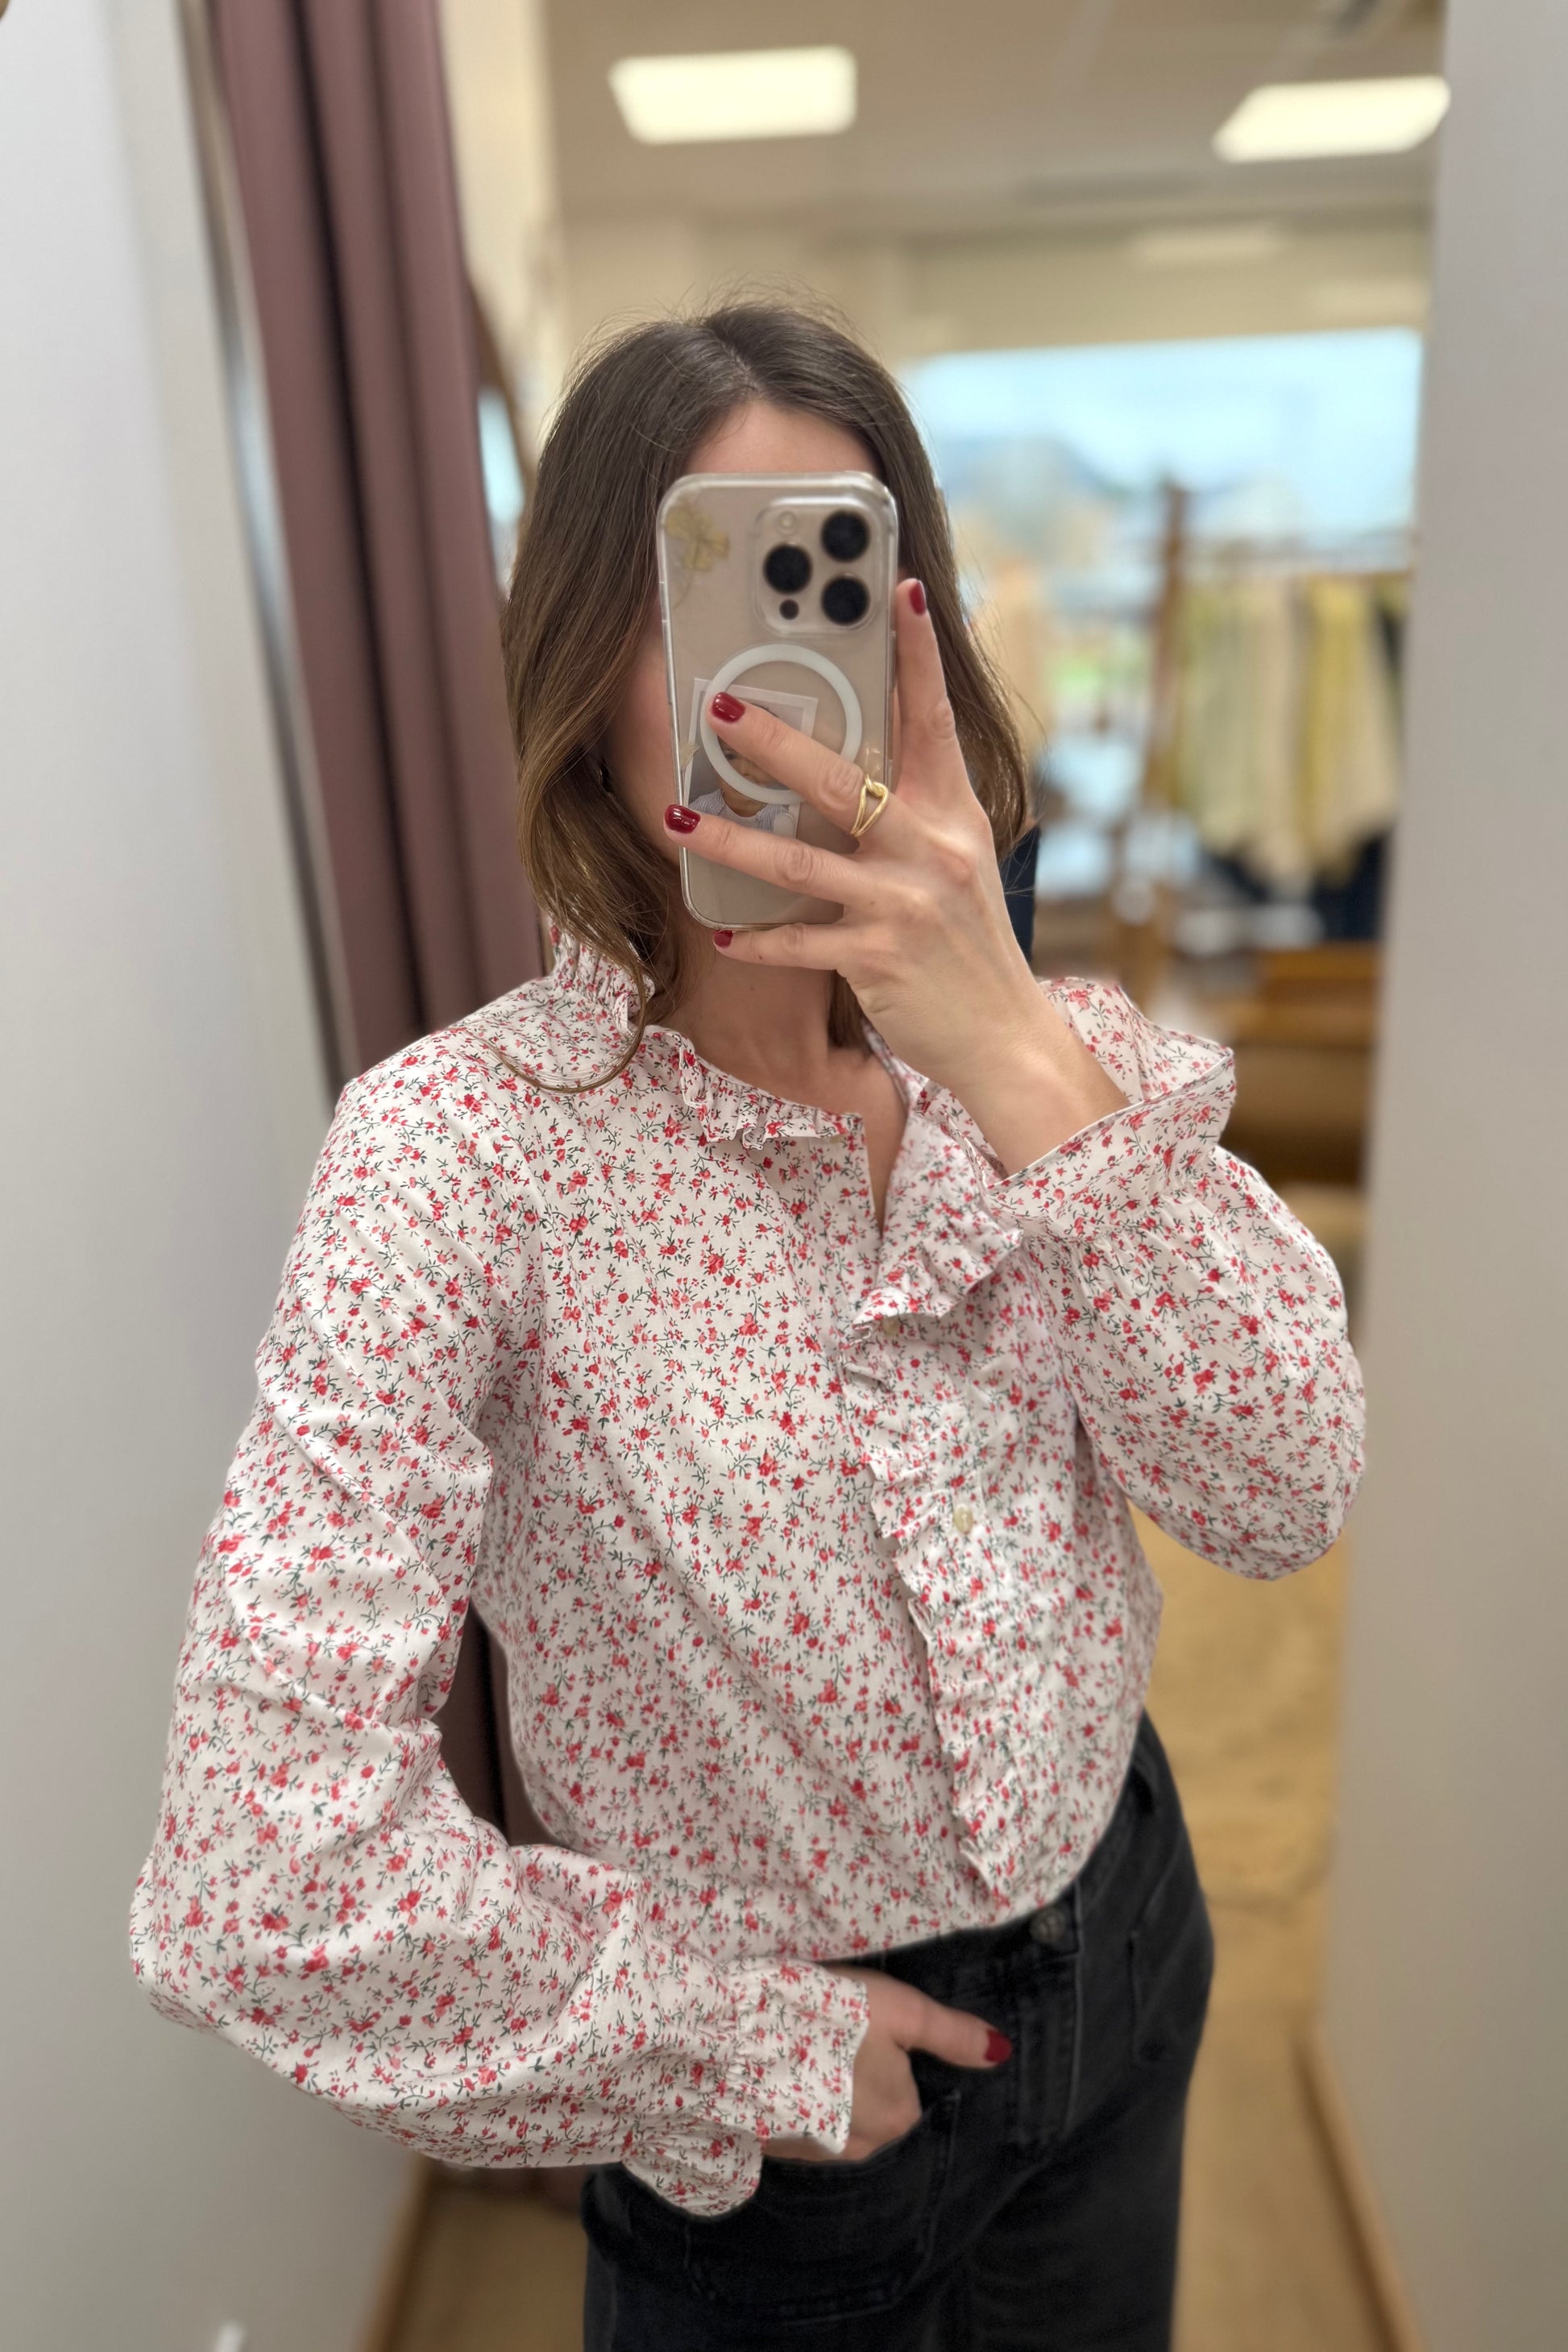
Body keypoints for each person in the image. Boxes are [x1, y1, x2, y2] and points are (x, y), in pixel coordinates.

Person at [131, 304, 1364, 2351]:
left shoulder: (1066, 1071)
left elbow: (1283, 1487)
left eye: (838, 584)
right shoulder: (461, 1154)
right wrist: (739, 2043)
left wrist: (1014, 1054)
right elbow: (254, 1873)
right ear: (586, 670)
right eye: (702, 598)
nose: (774, 684)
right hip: (790, 2126)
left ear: (922, 648)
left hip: (1132, 1946)